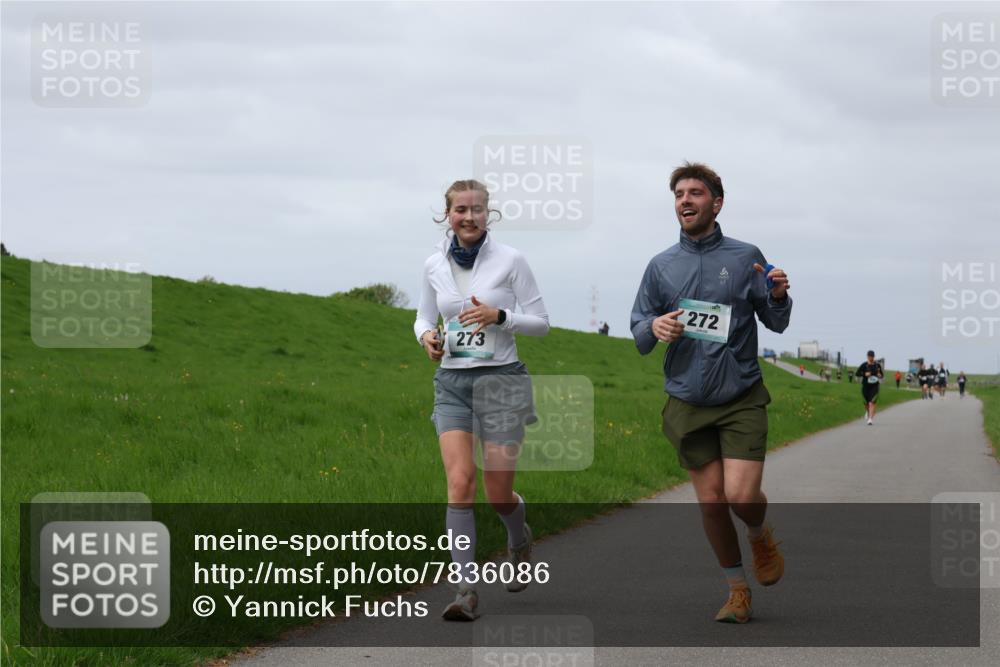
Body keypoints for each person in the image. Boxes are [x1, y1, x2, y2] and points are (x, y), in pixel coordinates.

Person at [631, 162, 791, 625]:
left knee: (741, 496)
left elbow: (775, 320)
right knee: (711, 501)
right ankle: (737, 591)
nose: (685, 200)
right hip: (686, 400)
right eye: (679, 193)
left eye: (696, 192)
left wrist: (777, 296)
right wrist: (654, 325)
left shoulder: (745, 257)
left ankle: (758, 533)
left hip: (740, 395)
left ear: (716, 203)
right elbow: (639, 327)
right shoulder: (660, 266)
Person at [414, 179, 550, 621]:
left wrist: (501, 316)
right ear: (447, 214)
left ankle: (518, 538)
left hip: (503, 382)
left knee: (497, 493)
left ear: (488, 214)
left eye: (476, 210)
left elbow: (542, 324)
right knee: (460, 483)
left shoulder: (511, 260)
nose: (468, 217)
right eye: (460, 210)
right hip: (453, 382)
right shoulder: (434, 264)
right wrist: (428, 337)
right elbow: (423, 315)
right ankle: (465, 590)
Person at [855, 350, 884, 425]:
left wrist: (880, 375)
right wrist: (864, 374)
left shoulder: (877, 365)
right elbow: (857, 373)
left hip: (874, 386)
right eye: (869, 356)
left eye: (872, 356)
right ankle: (868, 412)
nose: (871, 358)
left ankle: (870, 419)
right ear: (867, 356)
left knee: (872, 402)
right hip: (865, 386)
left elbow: (881, 375)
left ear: (874, 357)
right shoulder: (864, 365)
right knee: (866, 403)